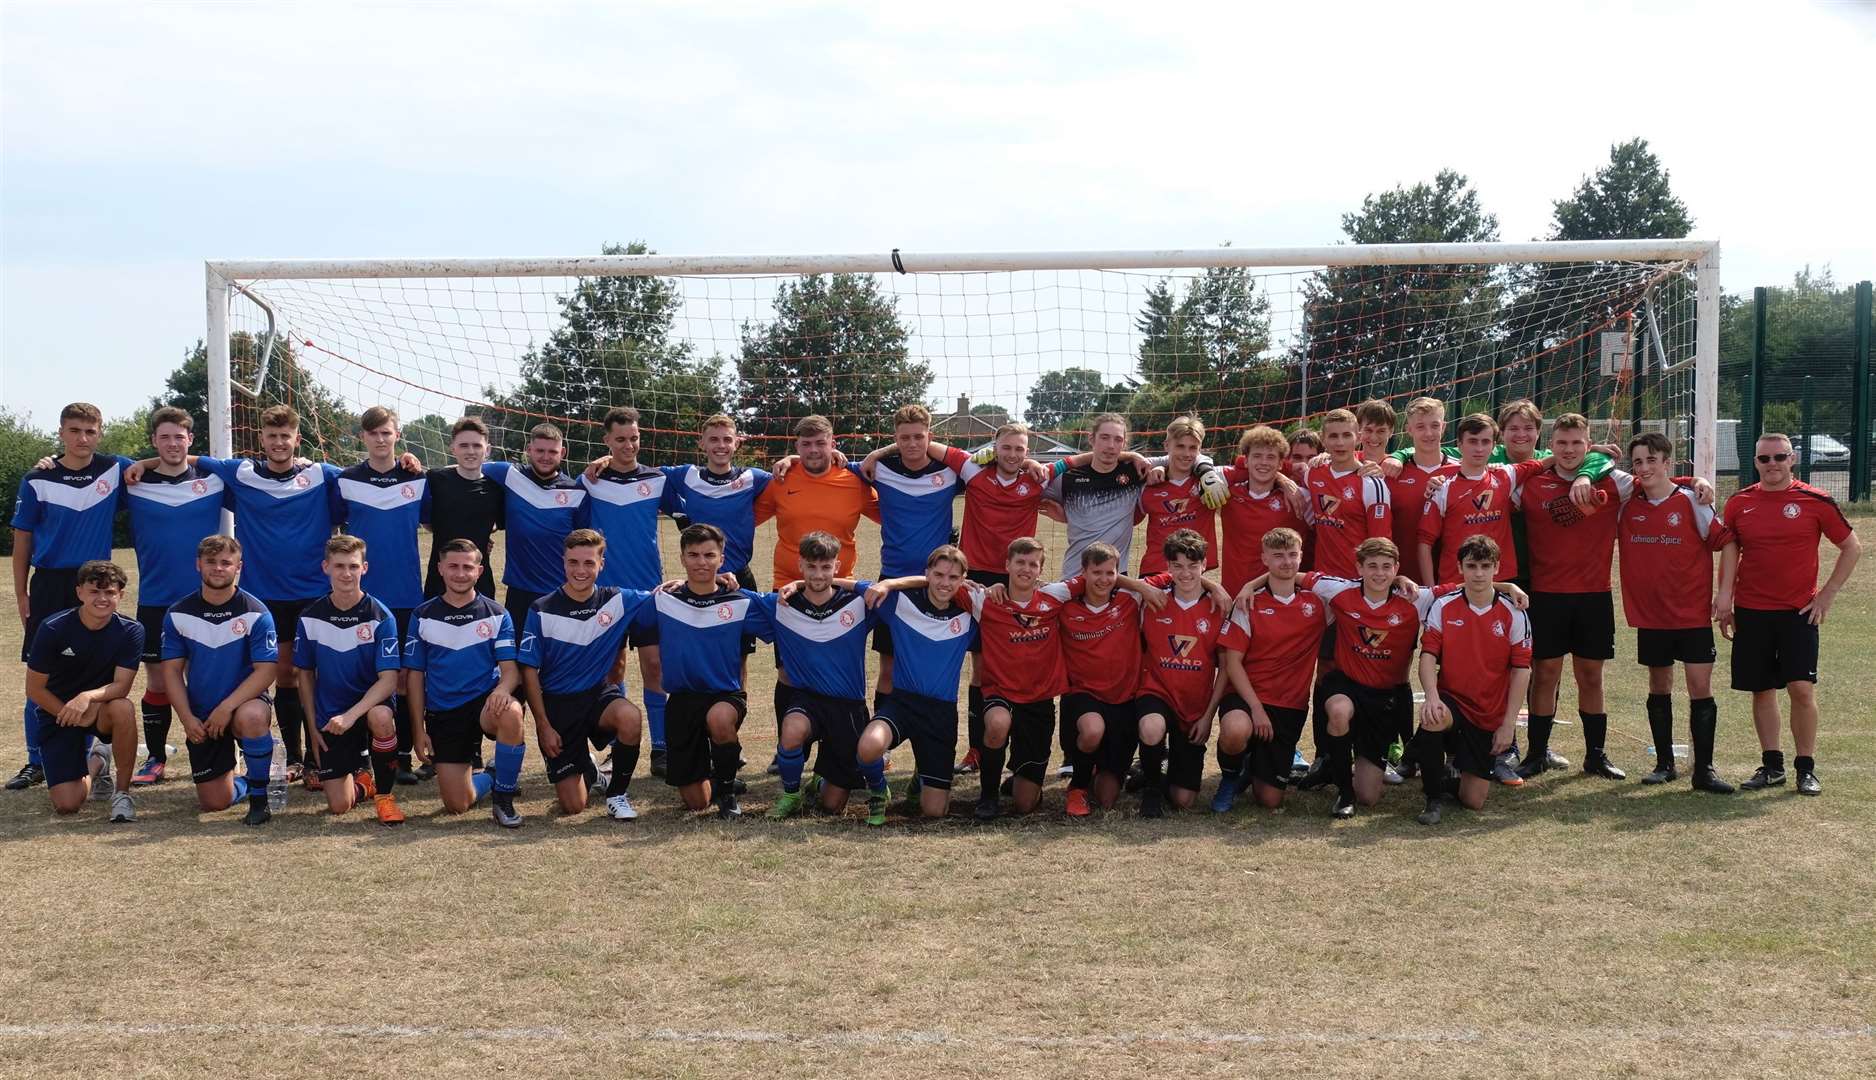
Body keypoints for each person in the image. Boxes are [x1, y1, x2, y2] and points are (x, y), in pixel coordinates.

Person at [139, 405, 342, 783]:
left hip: (313, 593)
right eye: (271, 436)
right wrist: (144, 462)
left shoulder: (320, 474)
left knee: (315, 675)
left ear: (298, 440)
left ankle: (324, 758)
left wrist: (408, 459)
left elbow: (368, 474)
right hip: (263, 596)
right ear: (261, 440)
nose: (279, 443)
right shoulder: (240, 472)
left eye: (286, 436)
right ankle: (295, 758)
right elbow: (184, 455)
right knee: (283, 675)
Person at [1716, 433, 1861, 796]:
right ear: (1755, 462)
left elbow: (1850, 546)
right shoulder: (1738, 503)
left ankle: (1805, 768)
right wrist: (1725, 600)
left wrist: (1826, 594)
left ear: (1792, 459)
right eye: (1764, 458)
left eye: (1779, 457)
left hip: (1799, 613)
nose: (1772, 464)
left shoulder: (1815, 500)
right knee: (1762, 689)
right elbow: (1731, 551)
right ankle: (1772, 765)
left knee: (1801, 688)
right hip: (1751, 611)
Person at [9, 402, 132, 791]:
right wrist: (22, 594)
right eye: (75, 430)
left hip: (97, 583)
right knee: (41, 671)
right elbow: (22, 540)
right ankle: (36, 760)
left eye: (90, 431)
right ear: (61, 432)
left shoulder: (114, 469)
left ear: (100, 432)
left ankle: (92, 751)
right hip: (50, 583)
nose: (82, 438)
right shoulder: (36, 478)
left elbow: (155, 466)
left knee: (94, 669)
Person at [755, 415, 880, 772]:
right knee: (788, 672)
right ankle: (789, 749)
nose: (813, 450)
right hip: (787, 587)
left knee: (844, 670)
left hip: (842, 590)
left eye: (820, 443)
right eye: (805, 445)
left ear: (833, 444)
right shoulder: (780, 480)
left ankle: (855, 741)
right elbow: (744, 516)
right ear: (796, 448)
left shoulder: (854, 480)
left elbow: (893, 512)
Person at [630, 523, 773, 818]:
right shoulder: (663, 600)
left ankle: (728, 790)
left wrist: (797, 585)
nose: (701, 562)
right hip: (682, 700)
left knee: (719, 719)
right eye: (693, 555)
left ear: (722, 558)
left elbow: (789, 606)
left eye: (709, 555)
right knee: (696, 802)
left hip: (725, 695)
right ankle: (713, 769)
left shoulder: (740, 600)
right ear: (682, 558)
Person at [1618, 433, 1735, 793]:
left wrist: (1725, 595)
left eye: (1652, 460)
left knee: (1700, 687)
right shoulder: (1626, 502)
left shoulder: (1691, 501)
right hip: (1652, 616)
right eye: (1638, 462)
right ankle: (1664, 763)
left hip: (1692, 614)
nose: (1645, 468)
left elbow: (1728, 542)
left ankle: (1705, 770)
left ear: (1668, 463)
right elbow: (1594, 466)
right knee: (1659, 685)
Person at [121, 406, 226, 787]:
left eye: (178, 437)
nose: (172, 444)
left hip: (206, 601)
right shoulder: (133, 480)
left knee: (211, 680)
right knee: (160, 683)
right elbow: (87, 465)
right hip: (156, 599)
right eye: (164, 437)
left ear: (190, 441)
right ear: (154, 441)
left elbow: (263, 473)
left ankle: (220, 752)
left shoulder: (214, 480)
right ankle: (155, 757)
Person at [517, 529, 651, 819]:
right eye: (573, 562)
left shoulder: (617, 600)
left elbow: (663, 593)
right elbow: (528, 670)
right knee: (573, 806)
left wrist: (717, 580)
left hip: (597, 696)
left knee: (630, 716)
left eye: (589, 563)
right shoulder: (542, 609)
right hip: (558, 705)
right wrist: (543, 725)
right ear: (563, 562)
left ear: (601, 564)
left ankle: (617, 794)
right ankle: (589, 769)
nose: (581, 570)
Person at [847, 404, 972, 703]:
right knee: (888, 667)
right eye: (904, 438)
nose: (912, 444)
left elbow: (993, 459)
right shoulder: (878, 470)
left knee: (934, 664)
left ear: (931, 436)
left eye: (919, 437)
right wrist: (792, 457)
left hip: (939, 583)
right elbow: (827, 461)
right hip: (892, 579)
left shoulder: (952, 472)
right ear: (895, 438)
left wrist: (879, 450)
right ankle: (884, 741)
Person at [577, 407, 676, 777]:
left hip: (650, 592)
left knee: (655, 666)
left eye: (633, 438)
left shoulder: (659, 479)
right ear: (606, 441)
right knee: (613, 668)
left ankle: (662, 748)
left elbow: (691, 509)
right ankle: (619, 744)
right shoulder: (589, 481)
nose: (628, 445)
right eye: (619, 439)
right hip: (607, 595)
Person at [334, 406, 429, 784]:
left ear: (397, 435)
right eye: (373, 433)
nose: (380, 439)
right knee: (357, 675)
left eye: (386, 433)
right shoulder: (345, 480)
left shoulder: (417, 478)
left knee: (404, 678)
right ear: (363, 437)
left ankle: (400, 757)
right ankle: (357, 758)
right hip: (359, 596)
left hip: (406, 594)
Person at [755, 531, 878, 820]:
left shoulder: (858, 603)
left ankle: (821, 780)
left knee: (832, 806)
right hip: (807, 699)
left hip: (847, 705)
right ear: (800, 565)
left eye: (826, 567)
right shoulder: (780, 604)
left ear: (837, 566)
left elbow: (893, 589)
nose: (818, 574)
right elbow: (722, 594)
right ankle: (790, 794)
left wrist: (852, 584)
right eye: (811, 567)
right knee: (791, 730)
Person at [851, 545, 978, 824]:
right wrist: (797, 584)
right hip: (902, 704)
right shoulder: (901, 604)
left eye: (953, 577)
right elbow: (856, 585)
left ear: (963, 580)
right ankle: (878, 791)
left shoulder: (970, 616)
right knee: (868, 747)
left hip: (940, 715)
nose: (945, 583)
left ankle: (921, 776)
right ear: (926, 574)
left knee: (934, 812)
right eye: (939, 574)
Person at [1412, 535, 1534, 824]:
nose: (1478, 573)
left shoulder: (1514, 613)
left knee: (1473, 801)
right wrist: (1431, 696)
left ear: (1496, 568)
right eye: (1471, 566)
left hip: (1487, 713)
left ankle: (1444, 776)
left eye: (1485, 566)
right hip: (1453, 701)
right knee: (1433, 717)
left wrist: (1508, 725)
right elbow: (1428, 656)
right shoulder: (1443, 606)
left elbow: (1521, 671)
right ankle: (1432, 798)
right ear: (1460, 568)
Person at [405, 540, 528, 827]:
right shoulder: (422, 615)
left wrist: (501, 690)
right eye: (453, 566)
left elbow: (511, 671)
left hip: (485, 703)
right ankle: (494, 776)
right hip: (445, 710)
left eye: (467, 567)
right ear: (440, 569)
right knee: (457, 805)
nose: (460, 574)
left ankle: (504, 799)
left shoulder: (497, 614)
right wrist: (417, 730)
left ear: (479, 570)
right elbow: (414, 676)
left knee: (510, 711)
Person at [160, 535, 280, 825]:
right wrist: (187, 718)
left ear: (239, 567)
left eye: (226, 562)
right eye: (211, 562)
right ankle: (245, 781)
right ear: (198, 564)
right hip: (202, 713)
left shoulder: (256, 613)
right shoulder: (178, 613)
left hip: (242, 704)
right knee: (215, 803)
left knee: (252, 716)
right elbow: (171, 672)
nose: (218, 568)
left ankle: (260, 799)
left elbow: (266, 671)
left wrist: (227, 707)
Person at [293, 535, 405, 823]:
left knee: (381, 717)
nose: (346, 573)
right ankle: (365, 784)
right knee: (339, 806)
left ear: (364, 568)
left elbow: (389, 680)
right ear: (325, 567)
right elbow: (304, 674)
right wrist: (313, 724)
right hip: (331, 714)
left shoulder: (381, 616)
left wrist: (352, 715)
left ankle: (385, 798)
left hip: (366, 707)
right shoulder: (310, 617)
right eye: (339, 566)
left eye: (353, 566)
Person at [1213, 527, 1325, 812]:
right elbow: (1233, 663)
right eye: (1278, 556)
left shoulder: (1318, 601)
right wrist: (1256, 707)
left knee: (1270, 799)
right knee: (1236, 730)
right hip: (1247, 697)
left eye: (1292, 555)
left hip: (1290, 705)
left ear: (1301, 557)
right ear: (1264, 559)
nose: (1286, 562)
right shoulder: (1248, 603)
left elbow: (1360, 586)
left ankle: (1254, 765)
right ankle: (1230, 777)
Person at [24, 559, 140, 821]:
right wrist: (70, 712)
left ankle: (122, 794)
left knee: (124, 707)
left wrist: (87, 697)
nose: (102, 598)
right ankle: (99, 760)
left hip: (100, 709)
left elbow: (122, 686)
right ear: (79, 593)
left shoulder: (131, 631)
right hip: (58, 713)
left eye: (109, 592)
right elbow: (34, 689)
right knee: (67, 805)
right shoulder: (53, 628)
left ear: (120, 595)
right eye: (94, 591)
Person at [1058, 542, 1148, 814]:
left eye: (1110, 573)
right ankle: (1077, 786)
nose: (1104, 579)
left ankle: (1098, 766)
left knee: (1108, 799)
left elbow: (1178, 574)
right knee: (1093, 730)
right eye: (1097, 572)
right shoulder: (1064, 606)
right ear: (1083, 572)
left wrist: (1215, 586)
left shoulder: (1129, 599)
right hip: (1083, 695)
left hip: (1123, 699)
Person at [483, 423, 591, 651]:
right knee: (519, 658)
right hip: (520, 591)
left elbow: (585, 544)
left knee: (559, 661)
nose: (545, 457)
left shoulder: (577, 492)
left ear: (562, 453)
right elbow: (466, 466)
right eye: (540, 450)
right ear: (528, 449)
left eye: (552, 452)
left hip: (562, 591)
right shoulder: (509, 474)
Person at [1217, 426, 1310, 597]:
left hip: (1279, 598)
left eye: (1271, 457)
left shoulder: (1299, 498)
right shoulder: (1227, 494)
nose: (1264, 462)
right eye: (1257, 456)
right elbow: (1195, 465)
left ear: (1281, 463)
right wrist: (1159, 466)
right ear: (1246, 461)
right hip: (1235, 594)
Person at [1303, 408, 1393, 579]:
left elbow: (1381, 544)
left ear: (1358, 438)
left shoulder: (1373, 484)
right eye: (1333, 436)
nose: (1340, 443)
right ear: (1323, 440)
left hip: (1356, 582)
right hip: (1321, 579)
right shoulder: (1313, 473)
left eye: (1346, 435)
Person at [423, 416, 503, 599]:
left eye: (477, 446)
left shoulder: (496, 489)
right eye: (464, 445)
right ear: (453, 448)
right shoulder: (435, 480)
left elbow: (497, 523)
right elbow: (426, 522)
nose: (471, 451)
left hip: (479, 578)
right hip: (440, 578)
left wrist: (482, 536)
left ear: (487, 450)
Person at [1136, 416, 1222, 577]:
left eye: (1193, 448)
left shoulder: (1212, 478)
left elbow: (1253, 468)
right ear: (1167, 446)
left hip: (1192, 571)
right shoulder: (1147, 483)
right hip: (1154, 571)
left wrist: (1282, 481)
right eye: (1180, 446)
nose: (1186, 453)